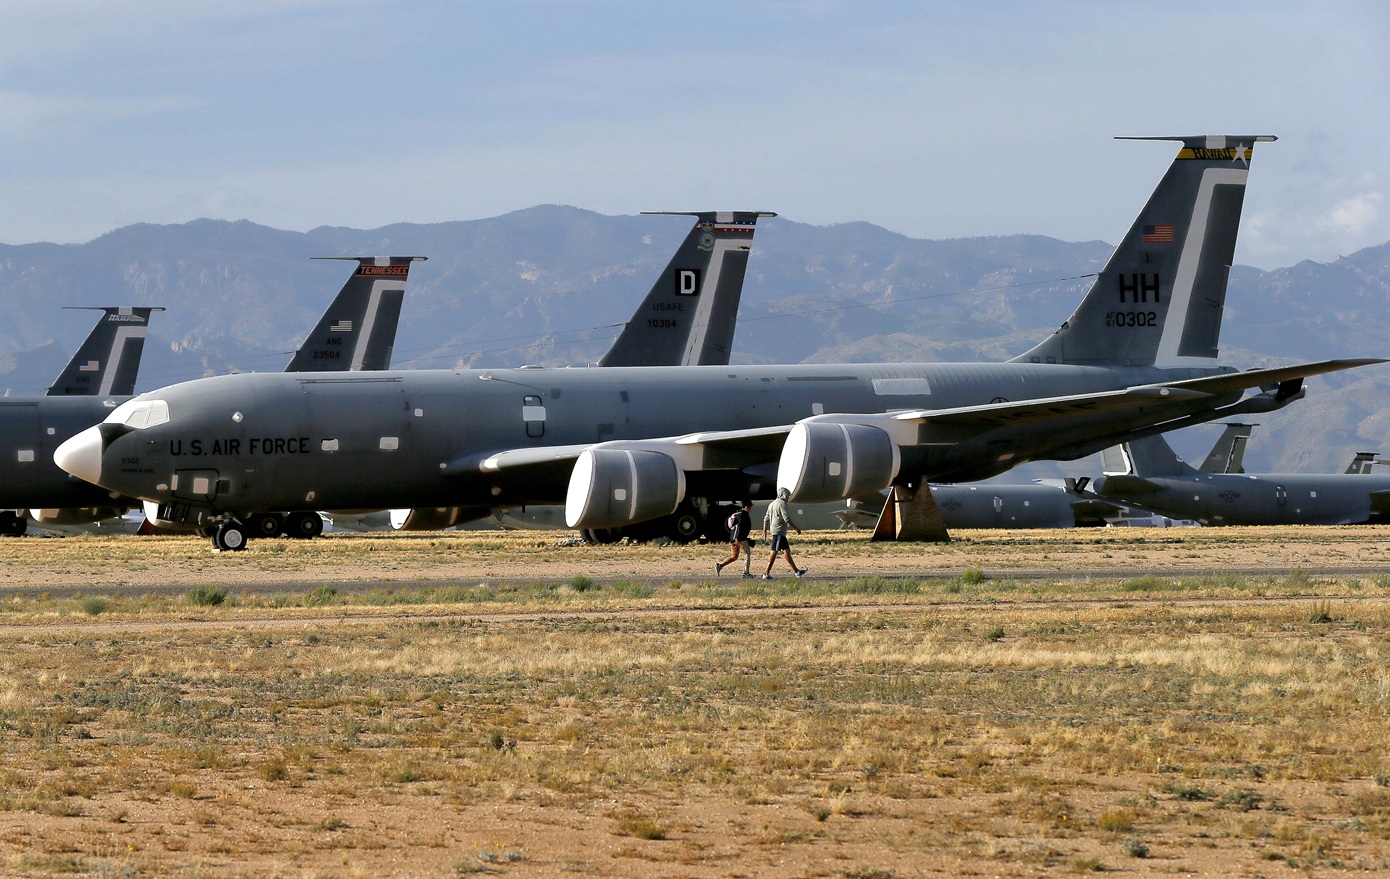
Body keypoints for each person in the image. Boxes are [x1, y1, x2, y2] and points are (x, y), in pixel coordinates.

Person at [762, 487, 806, 580]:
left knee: (786, 551)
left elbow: (766, 518)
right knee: (774, 551)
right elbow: (787, 518)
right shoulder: (782, 504)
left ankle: (797, 572)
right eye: (787, 495)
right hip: (778, 531)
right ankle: (766, 573)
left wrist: (764, 531)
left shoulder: (772, 504)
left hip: (776, 531)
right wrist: (796, 528)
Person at [716, 500, 756, 578]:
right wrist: (738, 539)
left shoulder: (738, 514)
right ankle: (746, 573)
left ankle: (720, 566)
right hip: (739, 539)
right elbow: (740, 527)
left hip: (733, 539)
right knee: (747, 554)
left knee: (734, 556)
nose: (751, 509)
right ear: (746, 507)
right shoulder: (744, 515)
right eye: (750, 507)